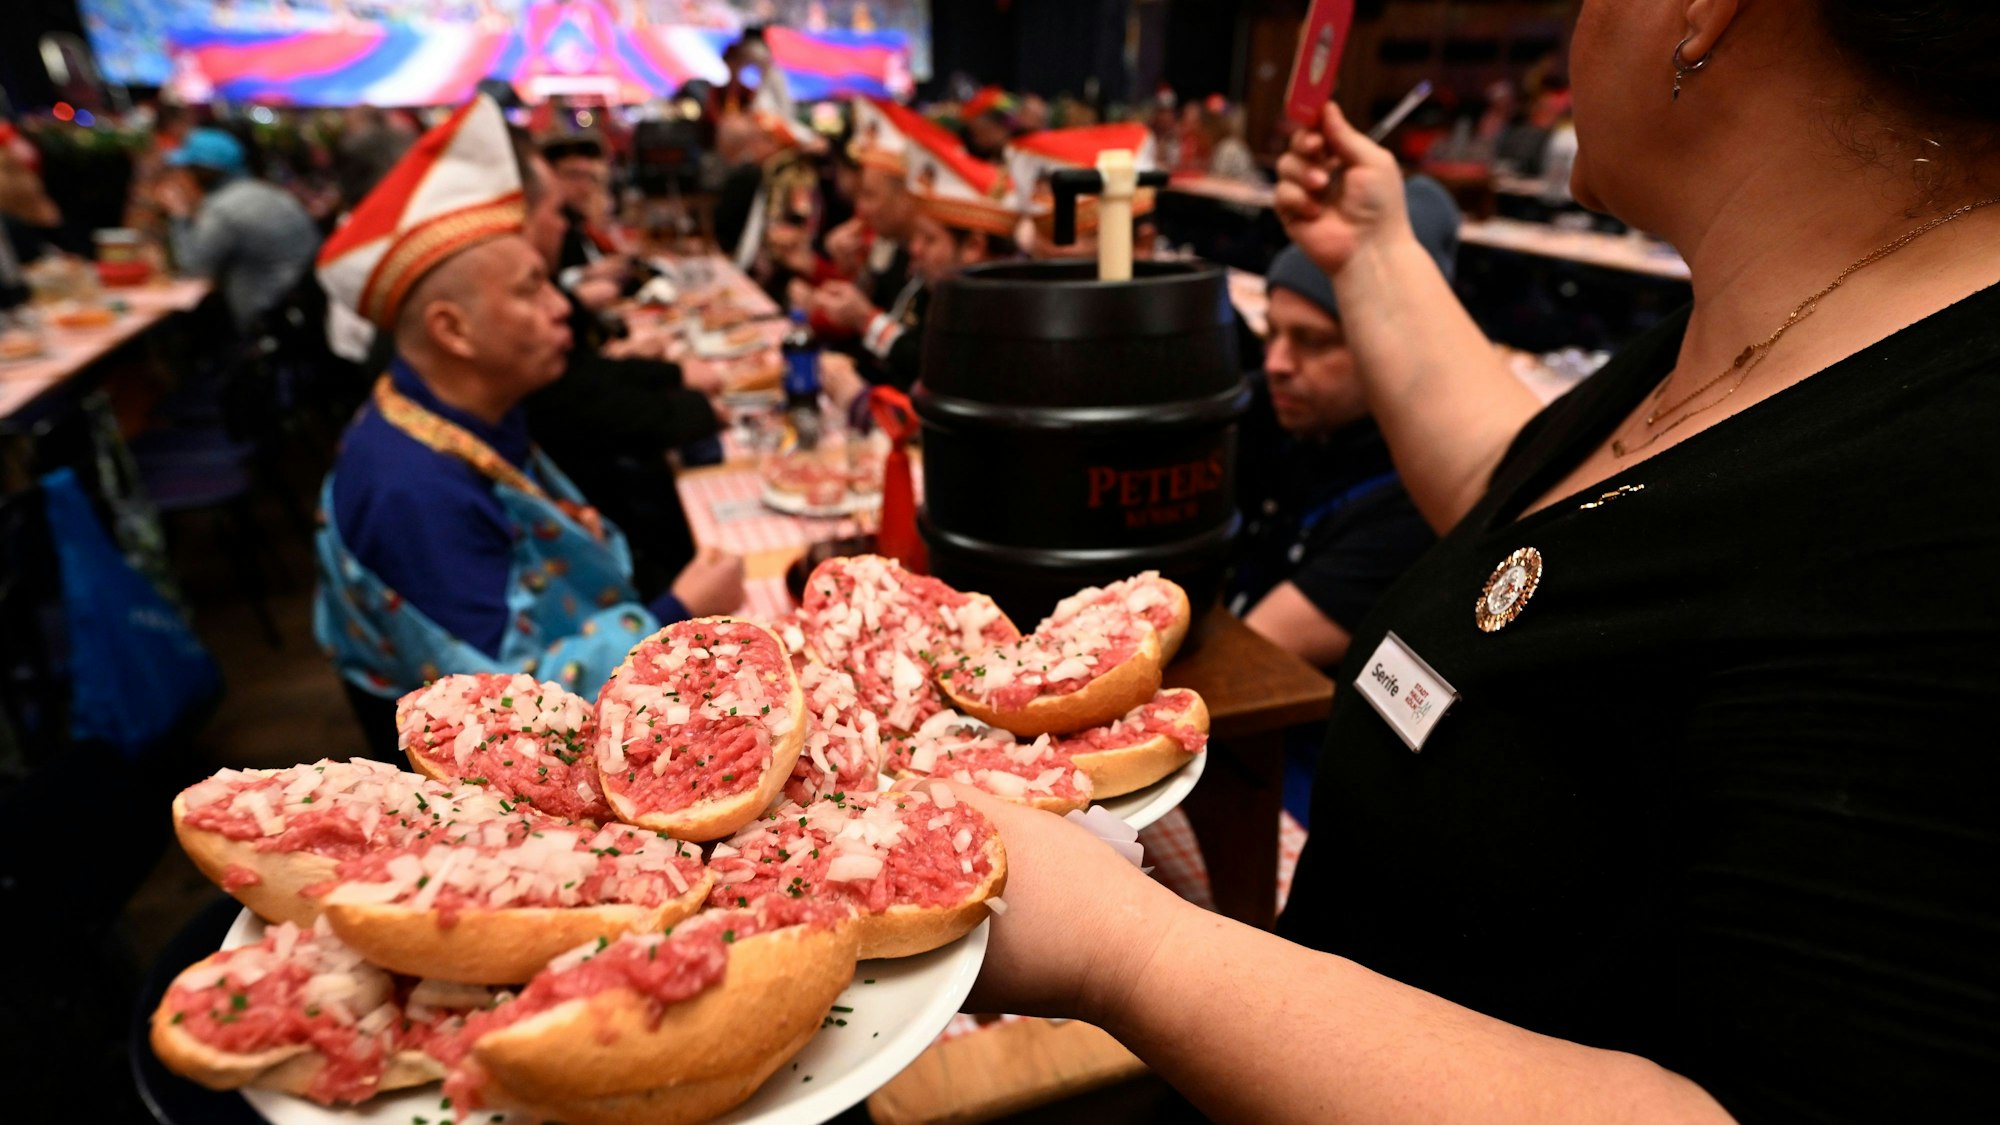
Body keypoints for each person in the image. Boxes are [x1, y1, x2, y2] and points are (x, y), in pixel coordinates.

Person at [953, 1, 2000, 1120]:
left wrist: (1131, 953)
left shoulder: (1955, 478)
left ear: (1702, 13)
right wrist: (1372, 253)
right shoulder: (1780, 324)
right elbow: (1549, 534)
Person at [313, 97, 742, 755]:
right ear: (452, 329)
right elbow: (504, 715)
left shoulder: (462, 409)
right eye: (530, 290)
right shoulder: (408, 489)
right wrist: (673, 612)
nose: (559, 310)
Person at [1229, 176, 1461, 670]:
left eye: (1313, 341)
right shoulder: (1290, 417)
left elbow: (1252, 655)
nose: (1277, 363)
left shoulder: (1416, 502)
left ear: (1391, 348)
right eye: (1271, 333)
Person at [152, 127, 322, 332]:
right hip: (304, 311)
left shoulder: (223, 209)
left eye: (186, 170)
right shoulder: (266, 191)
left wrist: (179, 214)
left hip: (269, 321)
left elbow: (194, 268)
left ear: (202, 172)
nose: (182, 177)